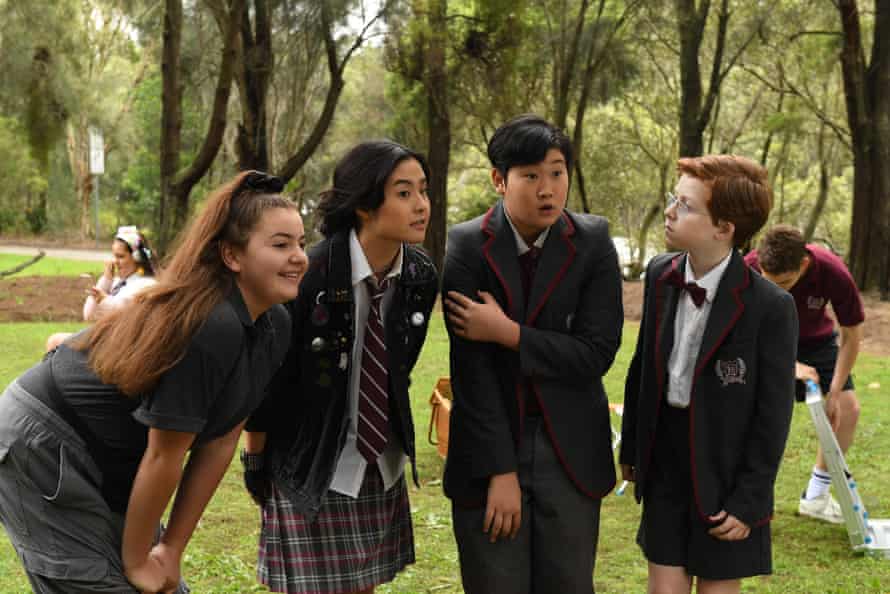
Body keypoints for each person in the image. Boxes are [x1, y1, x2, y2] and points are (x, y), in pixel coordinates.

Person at [0, 171, 307, 593]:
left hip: (109, 445)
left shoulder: (275, 325)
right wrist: (137, 561)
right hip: (44, 436)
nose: (299, 257)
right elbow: (165, 456)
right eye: (280, 245)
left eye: (301, 243)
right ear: (232, 256)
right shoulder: (212, 325)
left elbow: (220, 442)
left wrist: (170, 552)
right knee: (97, 581)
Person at [243, 140, 438, 594]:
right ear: (365, 205)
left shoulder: (420, 276)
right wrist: (255, 457)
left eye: (424, 191)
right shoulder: (308, 273)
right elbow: (272, 378)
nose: (421, 206)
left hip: (377, 461)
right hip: (310, 459)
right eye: (404, 193)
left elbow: (399, 371)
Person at [441, 114, 623, 594]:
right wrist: (501, 471)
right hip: (491, 441)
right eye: (531, 175)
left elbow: (596, 353)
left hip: (570, 447)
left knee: (568, 583)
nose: (548, 189)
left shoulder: (593, 242)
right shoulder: (466, 246)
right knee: (495, 581)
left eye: (557, 172)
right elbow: (472, 373)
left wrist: (509, 334)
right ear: (500, 180)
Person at [620, 155, 798, 593]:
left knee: (718, 586)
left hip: (725, 467)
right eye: (672, 199)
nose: (669, 211)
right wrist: (633, 449)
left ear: (724, 229)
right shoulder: (660, 274)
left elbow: (772, 415)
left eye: (686, 205)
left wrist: (749, 501)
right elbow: (643, 367)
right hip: (665, 457)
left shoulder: (771, 307)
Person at [744, 225, 865, 524]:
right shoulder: (747, 267)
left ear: (804, 265)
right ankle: (745, 495)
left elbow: (851, 334)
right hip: (764, 342)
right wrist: (789, 366)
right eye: (769, 281)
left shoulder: (832, 271)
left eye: (784, 282)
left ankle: (816, 496)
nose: (776, 290)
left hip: (815, 342)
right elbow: (739, 332)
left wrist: (834, 390)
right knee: (754, 413)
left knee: (848, 410)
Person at [45, 226, 158, 352]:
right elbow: (88, 314)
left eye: (120, 256)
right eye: (114, 256)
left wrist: (104, 299)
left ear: (137, 258)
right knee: (55, 341)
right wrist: (106, 280)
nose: (115, 262)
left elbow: (125, 312)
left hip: (120, 347)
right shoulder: (116, 282)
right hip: (106, 341)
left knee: (55, 342)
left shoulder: (146, 284)